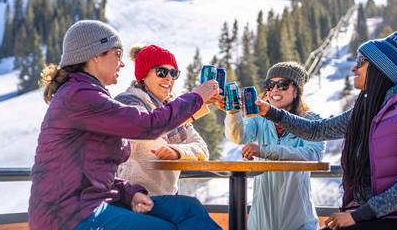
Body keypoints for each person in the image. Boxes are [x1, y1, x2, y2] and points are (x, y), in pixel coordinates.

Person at [28, 20, 222, 230]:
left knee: (188, 209)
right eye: (117, 54)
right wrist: (195, 98)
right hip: (68, 215)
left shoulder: (88, 94)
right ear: (95, 55)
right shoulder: (81, 96)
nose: (122, 63)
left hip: (89, 204)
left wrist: (129, 194)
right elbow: (147, 126)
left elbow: (94, 173)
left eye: (173, 73)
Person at [256, 27, 397, 230]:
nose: (354, 69)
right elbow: (318, 130)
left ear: (379, 68)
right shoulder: (365, 109)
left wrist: (357, 216)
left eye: (361, 62)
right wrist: (270, 112)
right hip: (379, 215)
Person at [224, 62, 326, 230]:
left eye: (283, 85)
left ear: (297, 90)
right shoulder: (258, 118)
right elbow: (238, 136)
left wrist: (264, 151)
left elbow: (313, 155)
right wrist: (233, 112)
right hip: (260, 222)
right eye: (270, 85)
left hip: (299, 221)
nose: (275, 90)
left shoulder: (312, 121)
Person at [115, 43, 209, 195]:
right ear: (143, 76)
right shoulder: (127, 103)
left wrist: (178, 151)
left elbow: (202, 149)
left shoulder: (172, 109)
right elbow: (150, 135)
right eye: (161, 72)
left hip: (166, 196)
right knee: (192, 211)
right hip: (133, 196)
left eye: (174, 73)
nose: (169, 78)